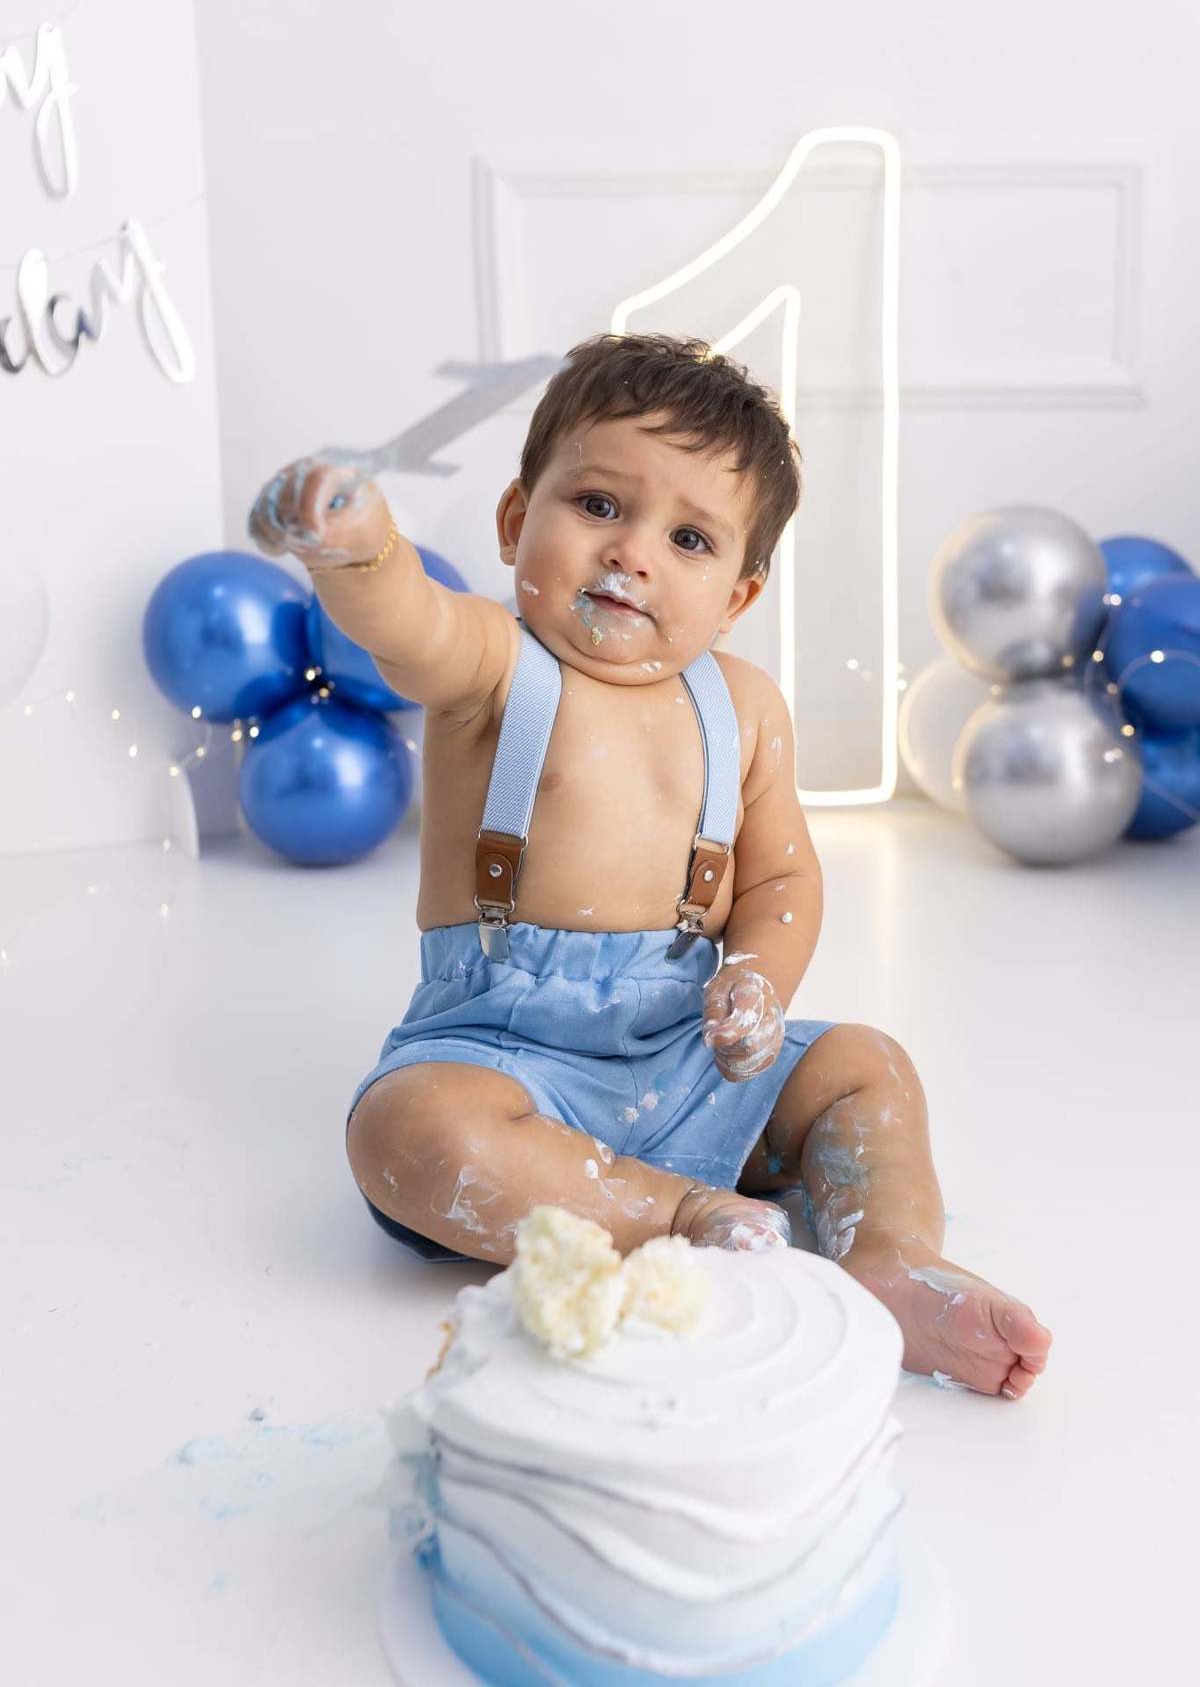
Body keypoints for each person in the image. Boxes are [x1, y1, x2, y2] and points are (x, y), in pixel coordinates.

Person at [248, 332, 1052, 1398]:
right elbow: (411, 628)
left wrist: (758, 980)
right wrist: (359, 551)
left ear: (738, 596)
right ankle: (673, 1219)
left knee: (866, 1064)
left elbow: (781, 882)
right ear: (511, 520)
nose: (633, 552)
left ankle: (889, 1254)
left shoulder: (745, 709)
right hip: (505, 1061)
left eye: (688, 537)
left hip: (686, 1058)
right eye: (596, 507)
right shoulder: (494, 662)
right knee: (405, 1132)